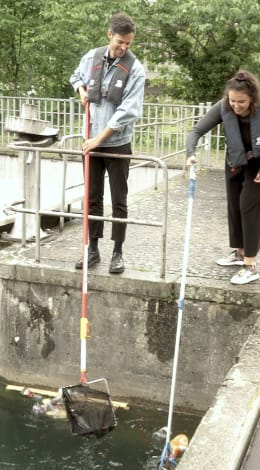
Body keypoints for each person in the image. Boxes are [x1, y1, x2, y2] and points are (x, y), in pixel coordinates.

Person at [185, 69, 260, 285]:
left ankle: (250, 265)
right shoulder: (223, 107)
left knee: (249, 208)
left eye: (242, 102)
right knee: (235, 208)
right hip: (235, 163)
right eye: (233, 101)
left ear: (252, 98)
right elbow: (196, 131)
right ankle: (239, 253)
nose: (236, 106)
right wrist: (190, 154)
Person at [70, 12, 146, 274]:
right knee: (92, 198)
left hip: (116, 144)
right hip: (89, 140)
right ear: (109, 35)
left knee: (119, 199)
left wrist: (98, 140)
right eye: (119, 43)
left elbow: (129, 111)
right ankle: (92, 249)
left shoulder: (135, 69)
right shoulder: (91, 57)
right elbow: (76, 76)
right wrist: (82, 90)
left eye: (128, 43)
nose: (124, 48)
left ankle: (118, 252)